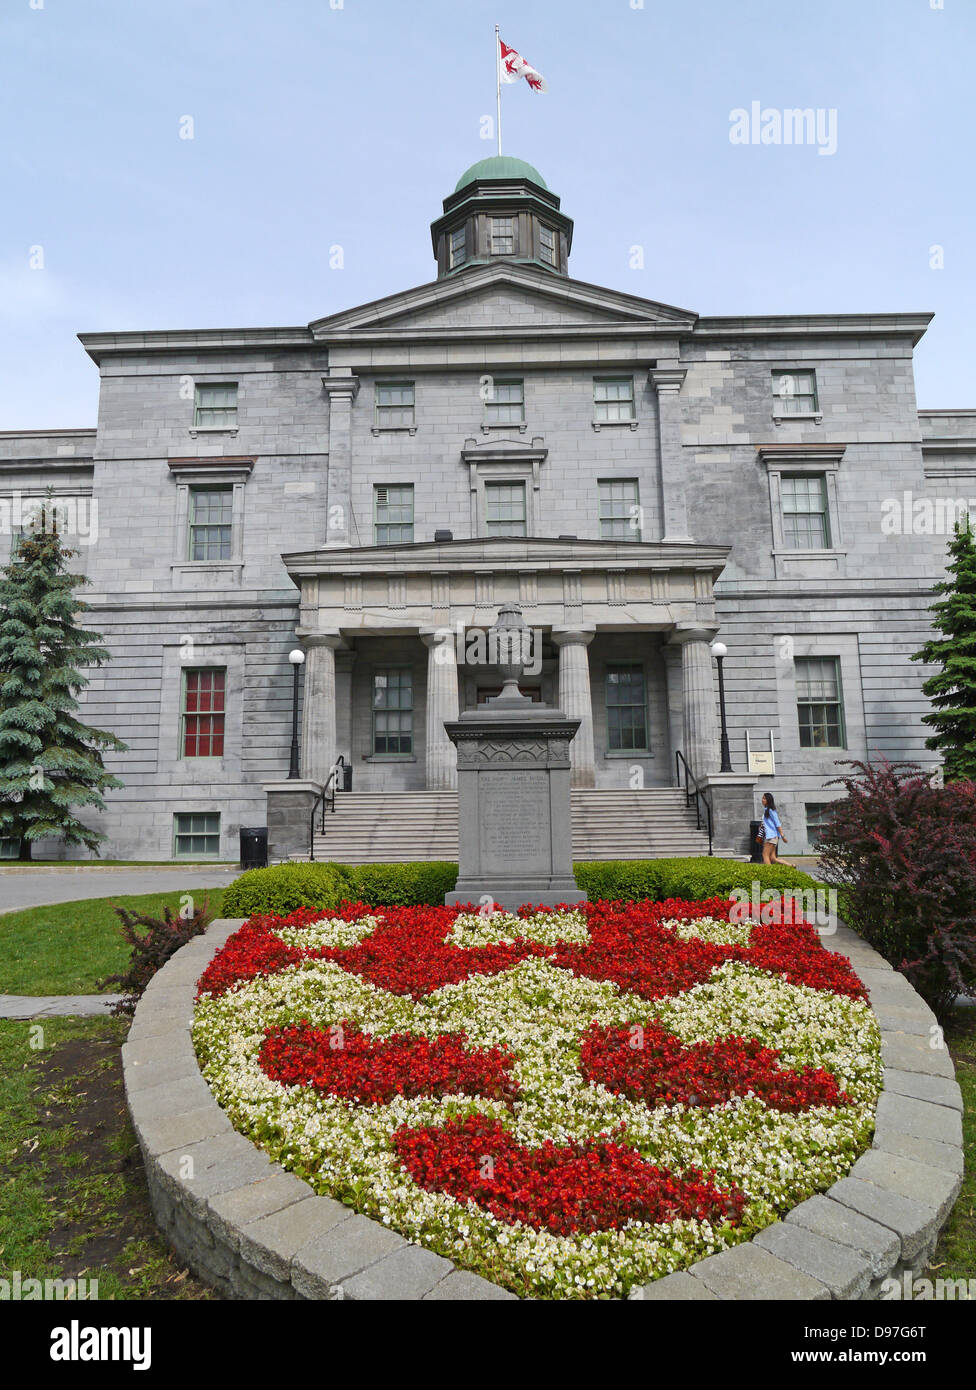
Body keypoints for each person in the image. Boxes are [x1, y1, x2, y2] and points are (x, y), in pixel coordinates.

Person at [758, 792, 787, 864]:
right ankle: (791, 865)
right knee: (772, 858)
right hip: (771, 836)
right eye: (762, 798)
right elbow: (769, 823)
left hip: (772, 836)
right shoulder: (766, 810)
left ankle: (769, 873)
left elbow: (777, 823)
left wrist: (783, 836)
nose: (762, 800)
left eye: (764, 798)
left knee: (765, 855)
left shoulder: (771, 810)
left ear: (768, 800)